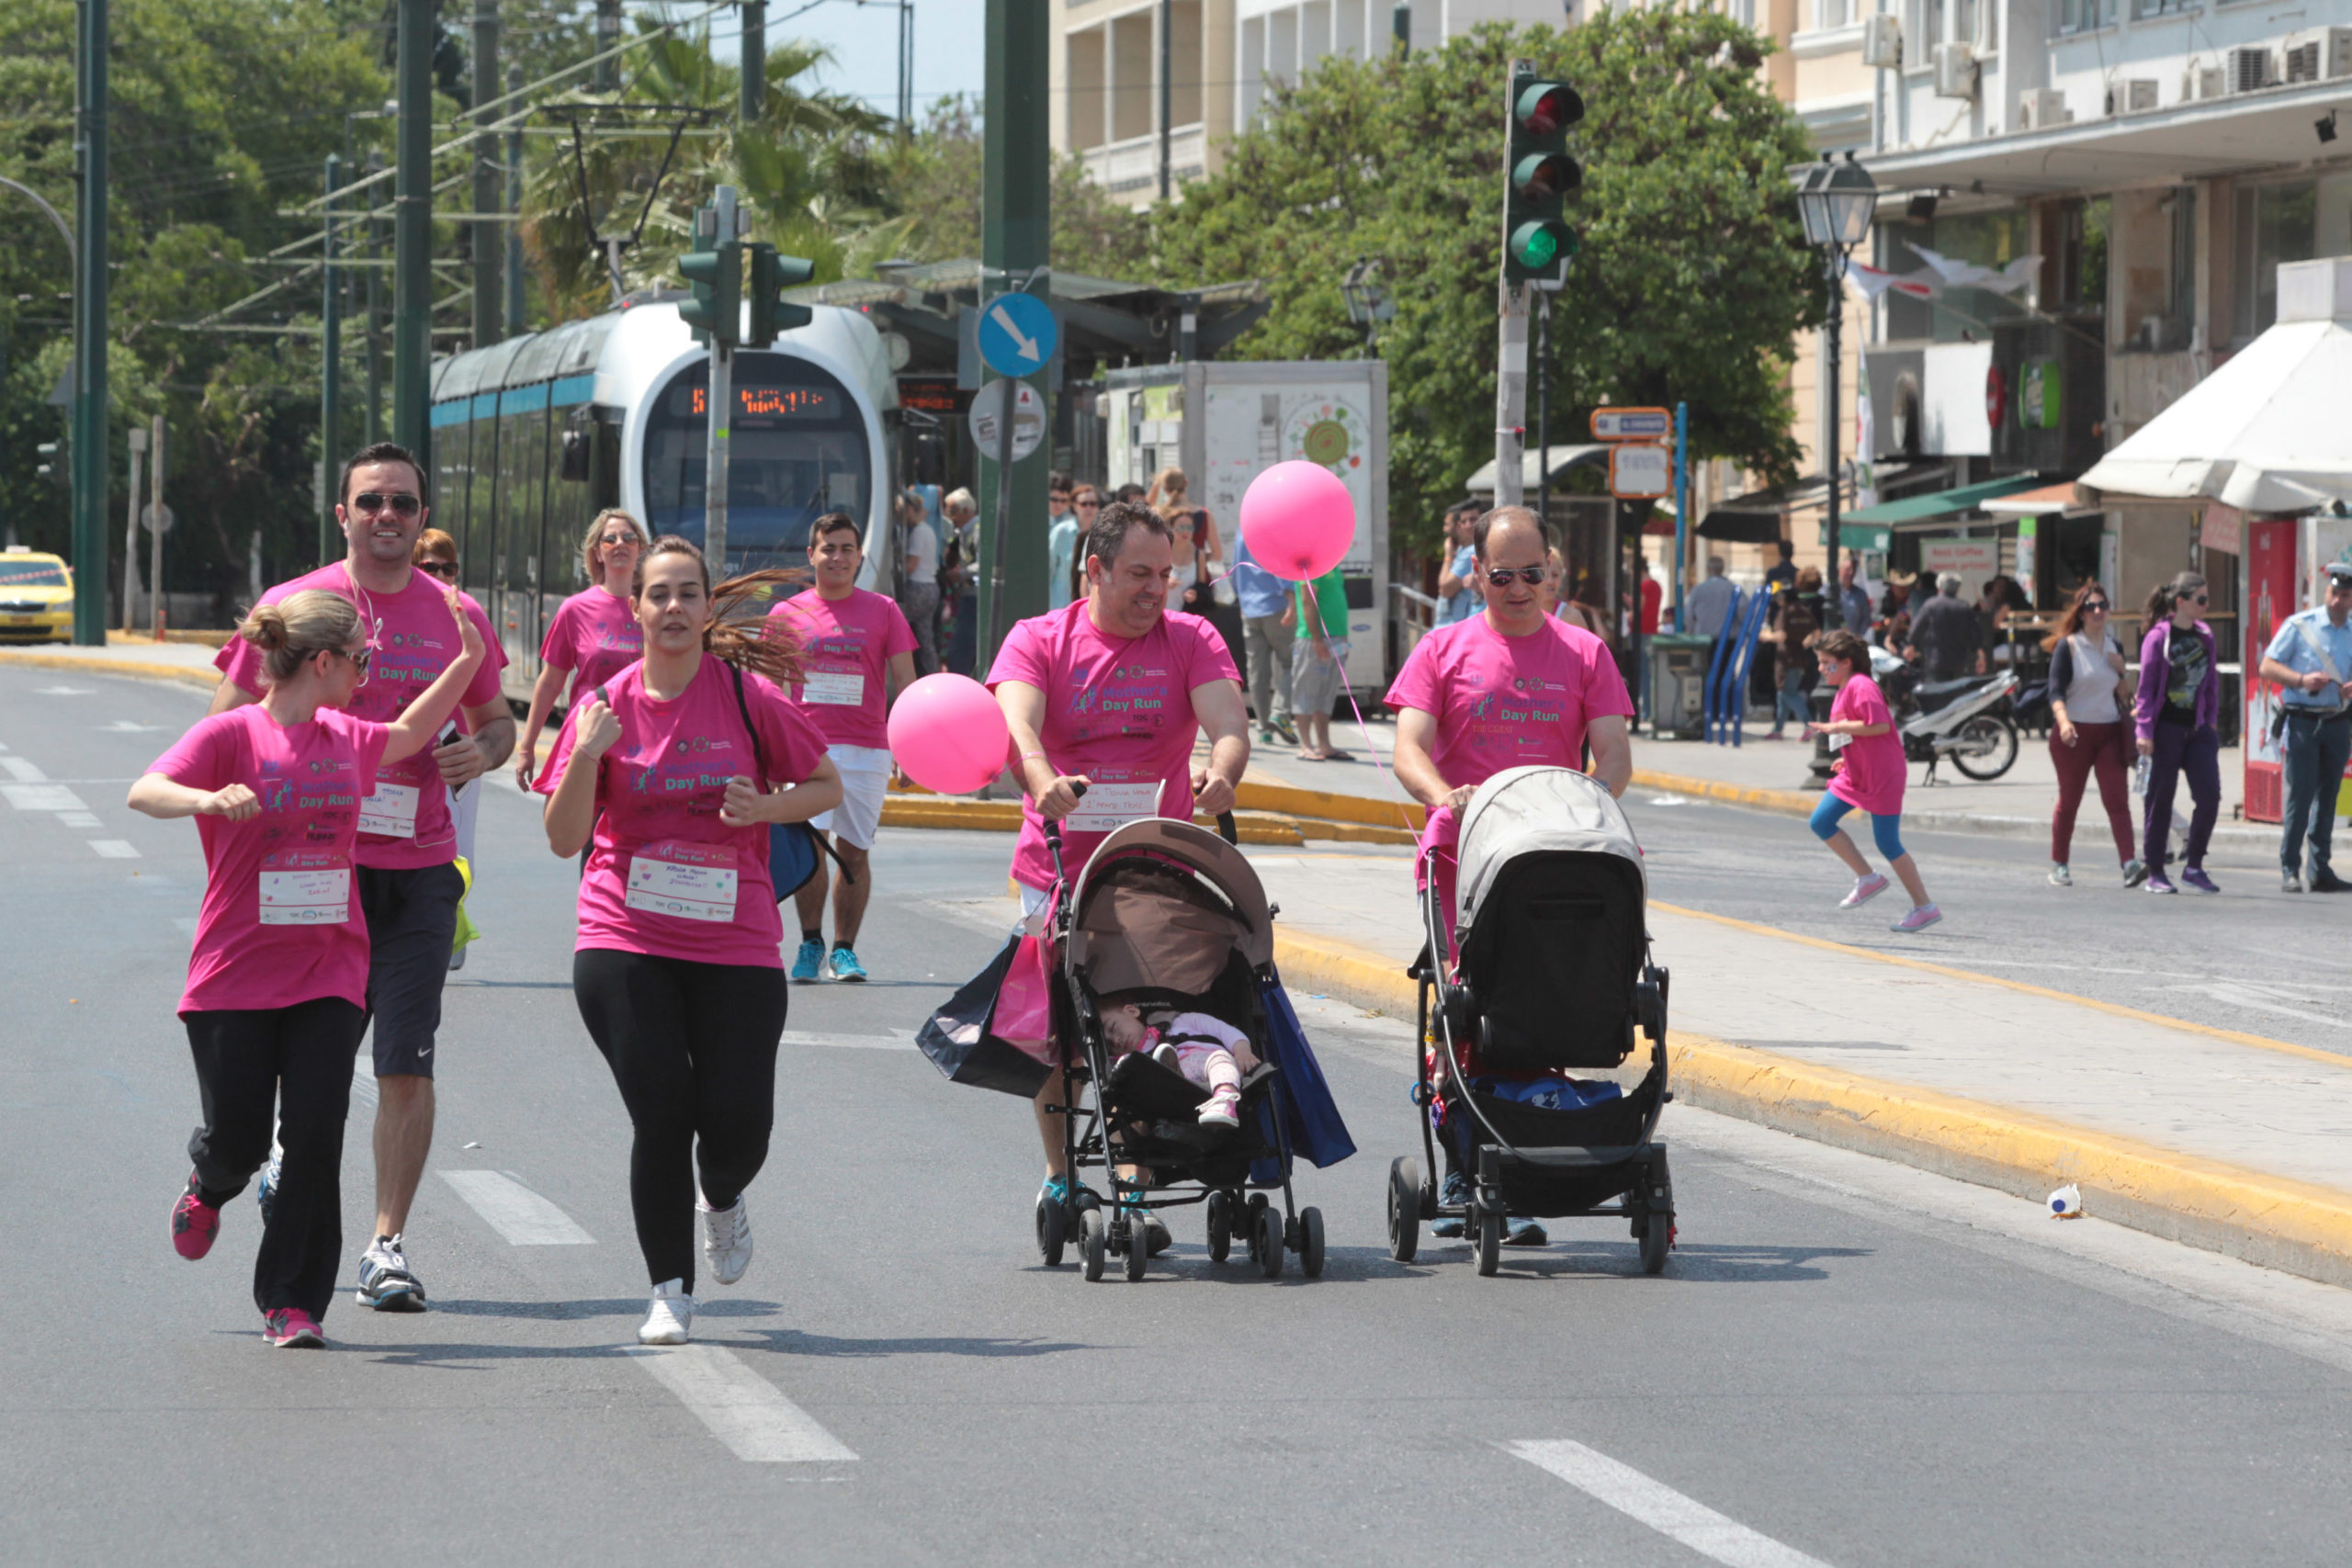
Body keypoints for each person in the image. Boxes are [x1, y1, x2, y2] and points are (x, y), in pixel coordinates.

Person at [137, 585, 485, 1348]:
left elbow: (409, 731)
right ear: (323, 661)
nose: (368, 672)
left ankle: (292, 1300)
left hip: (330, 972)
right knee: (240, 1140)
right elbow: (145, 788)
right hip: (234, 973)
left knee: (316, 1134)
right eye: (360, 660)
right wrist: (206, 796)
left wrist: (466, 662)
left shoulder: (346, 737)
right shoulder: (234, 733)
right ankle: (211, 1183)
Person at [208, 441, 511, 1314]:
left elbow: (499, 727)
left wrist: (474, 753)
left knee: (406, 1065)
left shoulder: (457, 615)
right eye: (371, 501)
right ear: (342, 514)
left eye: (404, 504)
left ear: (423, 517)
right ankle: (277, 1155)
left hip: (417, 871)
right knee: (311, 1070)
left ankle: (386, 1245)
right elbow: (227, 727)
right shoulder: (293, 606)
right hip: (311, 875)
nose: (388, 516)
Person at [538, 537, 842, 1346]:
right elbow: (564, 838)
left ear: (710, 609)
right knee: (662, 1112)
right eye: (658, 595)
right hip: (623, 930)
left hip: (735, 937)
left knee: (738, 1125)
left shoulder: (745, 699)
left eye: (688, 594)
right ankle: (668, 1289)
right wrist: (587, 755)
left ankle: (724, 1194)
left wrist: (763, 809)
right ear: (633, 607)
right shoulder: (603, 704)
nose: (673, 608)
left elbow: (825, 786)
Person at [989, 499, 1250, 1252]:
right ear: (1094, 569)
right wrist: (1038, 777)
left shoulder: (1190, 638)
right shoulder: (1041, 638)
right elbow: (1017, 724)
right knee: (1062, 1032)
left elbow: (1228, 726)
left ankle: (1132, 1181)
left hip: (1153, 869)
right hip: (1061, 865)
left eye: (1166, 574)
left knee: (1140, 1021)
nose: (1156, 589)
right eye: (1139, 574)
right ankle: (1061, 1170)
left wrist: (1222, 774)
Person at [1387, 505, 1634, 1246]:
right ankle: (1465, 1158)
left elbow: (1614, 760)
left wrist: (1579, 805)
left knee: (1556, 998)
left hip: (1555, 858)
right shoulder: (1441, 648)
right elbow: (1409, 748)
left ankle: (1549, 1135)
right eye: (1503, 575)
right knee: (1464, 1009)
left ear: (1551, 572)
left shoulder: (1586, 653)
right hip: (1463, 860)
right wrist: (1442, 795)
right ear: (1476, 576)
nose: (1520, 588)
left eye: (1533, 573)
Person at [769, 512, 918, 982]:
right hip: (805, 752)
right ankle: (810, 943)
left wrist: (909, 747)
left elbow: (906, 684)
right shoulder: (785, 614)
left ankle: (844, 950)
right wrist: (767, 757)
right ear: (811, 555)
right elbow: (768, 693)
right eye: (828, 548)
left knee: (854, 852)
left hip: (868, 752)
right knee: (810, 851)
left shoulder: (884, 610)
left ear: (859, 557)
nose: (837, 557)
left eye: (846, 549)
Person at [1804, 629, 1941, 932]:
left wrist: (1836, 726)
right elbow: (1861, 732)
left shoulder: (1861, 685)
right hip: (1858, 772)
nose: (1820, 669)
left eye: (1826, 663)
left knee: (1888, 842)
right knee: (1821, 821)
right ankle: (1868, 878)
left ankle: (1925, 907)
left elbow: (1877, 725)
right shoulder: (1845, 687)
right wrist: (1847, 756)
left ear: (1846, 662)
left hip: (1883, 774)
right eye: (1820, 662)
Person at [516, 510, 649, 793]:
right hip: (587, 739)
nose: (620, 544)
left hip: (643, 741)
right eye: (609, 539)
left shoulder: (656, 610)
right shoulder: (575, 609)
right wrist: (527, 747)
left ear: (641, 549)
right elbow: (550, 682)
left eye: (629, 538)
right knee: (575, 834)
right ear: (598, 553)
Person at [413, 529, 487, 973]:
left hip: (455, 757)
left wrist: (481, 749)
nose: (440, 576)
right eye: (430, 568)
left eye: (448, 568)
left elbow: (488, 700)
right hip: (402, 757)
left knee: (459, 851)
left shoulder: (468, 616)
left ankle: (451, 934)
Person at [2258, 560, 2352, 893]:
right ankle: (2290, 868)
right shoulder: (2302, 626)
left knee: (2329, 797)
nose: (2336, 601)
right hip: (2302, 722)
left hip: (2338, 723)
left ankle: (2320, 869)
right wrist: (2301, 679)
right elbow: (2267, 665)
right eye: (2333, 593)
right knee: (2300, 796)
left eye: (2343, 595)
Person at [2042, 583, 2144, 888]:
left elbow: (2124, 696)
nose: (2098, 612)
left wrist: (2123, 672)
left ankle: (2129, 863)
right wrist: (2063, 723)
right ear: (2082, 612)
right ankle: (2060, 864)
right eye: (2091, 607)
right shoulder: (2069, 646)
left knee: (2117, 799)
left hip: (2109, 731)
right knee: (2070, 799)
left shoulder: (2114, 646)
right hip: (2074, 734)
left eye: (2103, 606)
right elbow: (2055, 692)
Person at [2133, 571, 2223, 896]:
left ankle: (2194, 866)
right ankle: (2156, 870)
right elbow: (2145, 690)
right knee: (2160, 799)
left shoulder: (2205, 637)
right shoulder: (2159, 637)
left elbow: (2211, 684)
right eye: (2200, 599)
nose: (2206, 605)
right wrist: (2144, 730)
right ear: (2181, 602)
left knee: (2210, 796)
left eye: (2207, 598)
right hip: (2165, 729)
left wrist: (2210, 722)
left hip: (2198, 731)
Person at [1102, 999, 1260, 1130]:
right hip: (1171, 1091)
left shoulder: (1181, 1021)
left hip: (1210, 1066)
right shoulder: (1129, 1061)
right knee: (1148, 1074)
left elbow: (1224, 1030)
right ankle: (1173, 1073)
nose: (1116, 1040)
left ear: (1131, 1011)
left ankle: (1224, 1100)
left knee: (1220, 1058)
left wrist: (1242, 1050)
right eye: (1110, 1046)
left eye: (1113, 1027)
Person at [1232, 530, 1299, 746]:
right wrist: (1291, 599)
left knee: (1257, 672)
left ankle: (1263, 728)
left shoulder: (1242, 534)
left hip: (1249, 610)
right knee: (1292, 663)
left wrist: (1242, 600)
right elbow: (1281, 568)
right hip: (1275, 606)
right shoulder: (1274, 531)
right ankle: (1279, 712)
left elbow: (1235, 572)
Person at [1291, 563, 1351, 761]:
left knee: (1327, 692)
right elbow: (1308, 601)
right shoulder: (1311, 566)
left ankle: (1324, 744)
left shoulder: (1332, 566)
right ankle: (1305, 745)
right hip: (1313, 639)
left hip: (1336, 638)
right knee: (1306, 690)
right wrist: (1316, 638)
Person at [1150, 467, 1224, 615]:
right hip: (1196, 586)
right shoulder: (1203, 514)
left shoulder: (1159, 514)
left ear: (1165, 489)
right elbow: (1217, 555)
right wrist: (1200, 556)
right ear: (1186, 483)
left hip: (1166, 579)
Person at [1764, 567, 1824, 739]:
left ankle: (1809, 725)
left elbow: (1781, 635)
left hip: (1786, 660)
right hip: (1800, 659)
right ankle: (1778, 729)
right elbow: (1817, 632)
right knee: (1782, 696)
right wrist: (1806, 643)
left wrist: (1764, 636)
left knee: (1788, 694)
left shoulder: (1784, 612)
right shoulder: (1804, 610)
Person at [896, 490, 943, 677]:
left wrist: (898, 565)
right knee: (926, 639)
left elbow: (911, 565)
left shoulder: (917, 533)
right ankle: (933, 675)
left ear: (908, 510)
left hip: (917, 588)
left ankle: (903, 673)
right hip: (931, 587)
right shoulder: (929, 530)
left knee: (897, 631)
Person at [1908, 571, 1986, 682]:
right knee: (1957, 695)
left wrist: (1910, 645)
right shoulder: (1964, 606)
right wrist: (1981, 656)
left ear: (1939, 587)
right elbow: (1976, 634)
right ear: (1958, 589)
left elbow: (1917, 628)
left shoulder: (1931, 605)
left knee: (1938, 695)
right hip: (1959, 662)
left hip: (1935, 662)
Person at [941, 487, 979, 675]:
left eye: (953, 511)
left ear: (966, 511)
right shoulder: (962, 532)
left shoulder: (977, 530)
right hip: (967, 593)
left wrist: (960, 574)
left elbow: (983, 564)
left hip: (975, 595)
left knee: (962, 643)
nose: (950, 517)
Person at [1433, 503, 1480, 626]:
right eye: (1463, 521)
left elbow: (1445, 589)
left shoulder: (1471, 551)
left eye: (1473, 520)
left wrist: (1447, 555)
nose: (1445, 530)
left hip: (1454, 626)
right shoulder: (1462, 550)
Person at [1046, 472, 1078, 613]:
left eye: (1064, 501)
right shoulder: (1037, 523)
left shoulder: (1073, 527)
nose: (1059, 504)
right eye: (1054, 499)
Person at [1685, 556, 1736, 641]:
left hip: (1703, 638)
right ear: (1722, 569)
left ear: (1707, 569)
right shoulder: (1733, 589)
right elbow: (1744, 611)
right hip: (1728, 638)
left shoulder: (1698, 589)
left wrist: (1692, 632)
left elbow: (1688, 614)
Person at [1836, 558, 1872, 637]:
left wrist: (1857, 636)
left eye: (1853, 569)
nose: (1851, 573)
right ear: (1840, 570)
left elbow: (1866, 618)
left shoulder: (1860, 594)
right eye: (1848, 569)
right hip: (1833, 640)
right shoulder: (1830, 592)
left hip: (1853, 639)